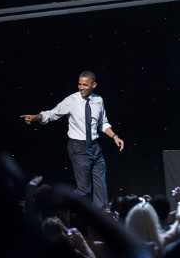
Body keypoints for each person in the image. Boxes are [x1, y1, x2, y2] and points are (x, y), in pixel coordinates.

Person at [20, 71, 125, 209]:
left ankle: (102, 215)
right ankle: (57, 209)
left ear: (94, 85)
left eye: (85, 85)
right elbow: (52, 114)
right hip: (78, 148)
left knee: (100, 185)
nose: (81, 87)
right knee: (83, 190)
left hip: (95, 147)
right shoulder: (72, 100)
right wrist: (36, 117)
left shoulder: (98, 100)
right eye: (79, 84)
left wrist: (114, 136)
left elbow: (102, 123)